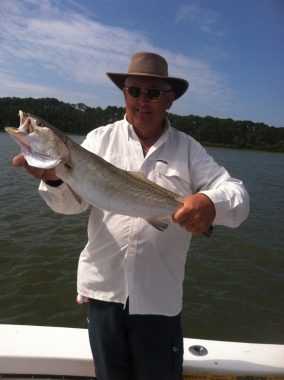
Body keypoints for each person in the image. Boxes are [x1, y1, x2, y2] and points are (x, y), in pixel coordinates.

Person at [12, 52, 249, 380]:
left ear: (169, 100)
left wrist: (210, 204)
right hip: (103, 293)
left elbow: (238, 197)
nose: (142, 100)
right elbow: (70, 206)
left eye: (153, 93)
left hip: (159, 301)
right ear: (124, 93)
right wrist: (53, 178)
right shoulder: (97, 140)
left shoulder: (189, 150)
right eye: (134, 91)